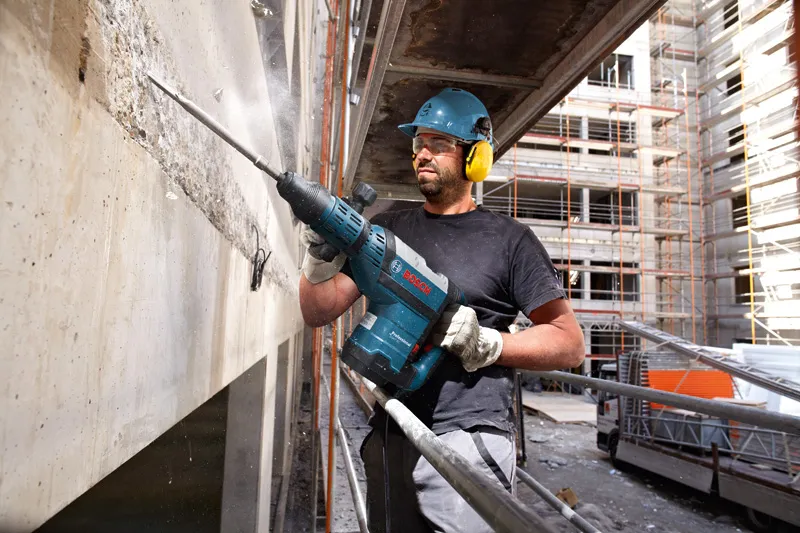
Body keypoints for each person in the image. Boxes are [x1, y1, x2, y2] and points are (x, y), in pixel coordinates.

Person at [298, 88, 585, 533]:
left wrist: (489, 344)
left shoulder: (510, 241)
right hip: (392, 430)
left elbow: (569, 343)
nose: (422, 155)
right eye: (418, 144)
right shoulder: (387, 230)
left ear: (475, 158)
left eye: (439, 143)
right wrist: (317, 261)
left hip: (470, 441)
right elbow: (318, 311)